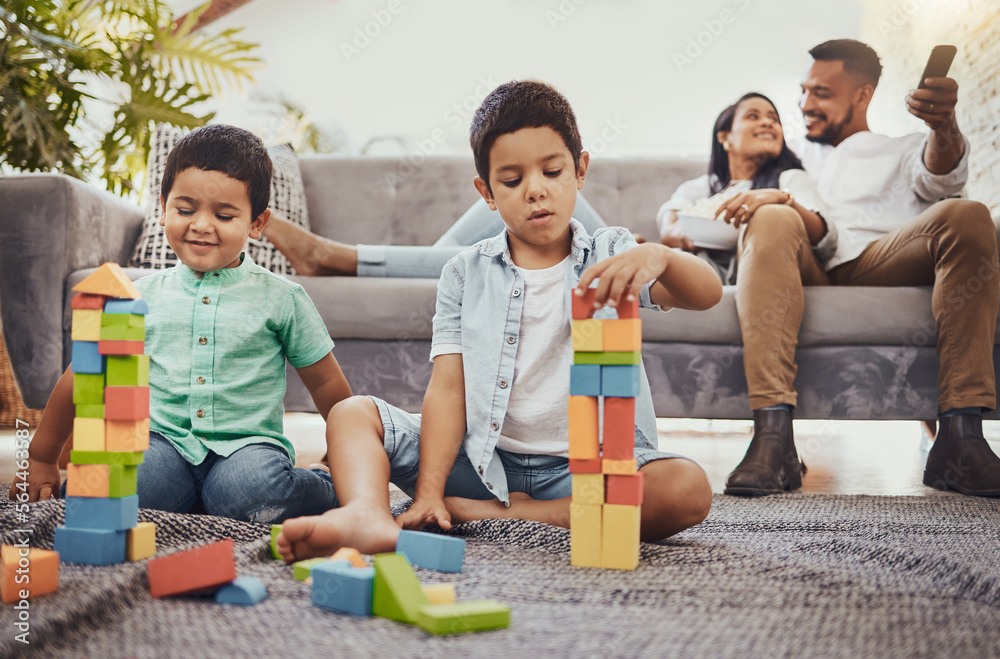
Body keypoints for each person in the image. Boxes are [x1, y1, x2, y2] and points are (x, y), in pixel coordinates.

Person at [276, 80, 722, 559]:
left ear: (580, 171)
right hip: (481, 462)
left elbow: (707, 294)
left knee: (686, 488)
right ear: (486, 192)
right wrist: (427, 493)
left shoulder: (611, 252)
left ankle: (501, 515)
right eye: (512, 181)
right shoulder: (464, 273)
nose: (535, 190)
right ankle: (367, 513)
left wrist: (662, 256)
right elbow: (448, 388)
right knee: (351, 413)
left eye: (553, 171)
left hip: (587, 470)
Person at [11, 125, 354, 522]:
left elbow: (327, 383)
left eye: (224, 215)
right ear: (163, 207)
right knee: (117, 488)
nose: (202, 225)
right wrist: (41, 456)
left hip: (247, 448)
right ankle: (193, 498)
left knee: (250, 494)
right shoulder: (139, 296)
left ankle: (321, 483)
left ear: (257, 223)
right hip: (159, 441)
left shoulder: (284, 298)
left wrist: (348, 457)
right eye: (186, 210)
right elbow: (83, 374)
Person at [725, 39, 1000, 498]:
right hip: (805, 262)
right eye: (804, 91)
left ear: (862, 95)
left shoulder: (903, 148)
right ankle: (773, 440)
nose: (804, 104)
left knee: (968, 213)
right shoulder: (790, 158)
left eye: (822, 94)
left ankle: (960, 438)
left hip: (880, 261)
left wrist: (944, 126)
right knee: (772, 215)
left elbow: (942, 173)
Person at [656, 92, 836, 284]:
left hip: (783, 271)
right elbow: (669, 227)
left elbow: (827, 242)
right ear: (725, 137)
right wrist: (700, 235)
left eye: (773, 119)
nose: (767, 123)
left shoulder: (789, 179)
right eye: (753, 116)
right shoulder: (701, 188)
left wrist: (783, 201)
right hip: (706, 275)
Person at [264, 187, 608, 278]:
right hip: (615, 242)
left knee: (563, 199)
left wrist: (647, 251)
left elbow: (665, 252)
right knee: (459, 255)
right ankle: (335, 258)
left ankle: (341, 258)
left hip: (624, 253)